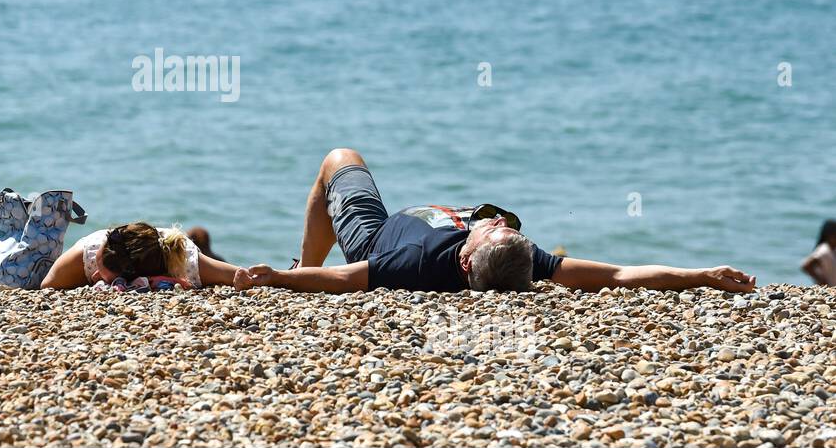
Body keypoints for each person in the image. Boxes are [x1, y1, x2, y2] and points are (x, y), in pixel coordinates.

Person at [233, 148, 756, 294]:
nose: (498, 225)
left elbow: (345, 280)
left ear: (465, 255)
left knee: (337, 160)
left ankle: (305, 249)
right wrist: (702, 274)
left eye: (493, 230)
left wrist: (284, 277)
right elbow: (620, 275)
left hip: (377, 234)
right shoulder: (523, 262)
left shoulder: (415, 261)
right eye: (507, 229)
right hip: (433, 225)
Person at [42, 222, 243, 289]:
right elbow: (47, 285)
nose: (95, 276)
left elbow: (245, 276)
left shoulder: (185, 264)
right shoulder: (89, 251)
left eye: (103, 277)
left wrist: (273, 276)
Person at [801, 220, 836, 286]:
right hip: (829, 287)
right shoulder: (823, 250)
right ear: (829, 235)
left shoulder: (833, 249)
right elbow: (806, 266)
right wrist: (821, 281)